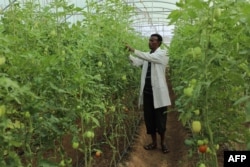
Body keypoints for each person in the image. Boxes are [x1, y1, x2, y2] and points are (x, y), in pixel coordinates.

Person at [125, 33, 171, 154]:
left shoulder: (163, 53)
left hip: (159, 94)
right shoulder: (147, 55)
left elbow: (149, 58)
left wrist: (134, 49)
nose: (150, 42)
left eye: (153, 41)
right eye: (149, 40)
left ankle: (163, 143)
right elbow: (136, 62)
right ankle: (154, 142)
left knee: (160, 119)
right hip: (147, 93)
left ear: (159, 43)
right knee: (149, 119)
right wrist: (127, 55)